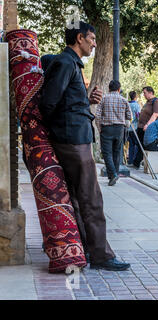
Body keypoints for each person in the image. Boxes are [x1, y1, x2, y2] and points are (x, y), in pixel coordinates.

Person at [39, 21, 130, 271]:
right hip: (73, 140)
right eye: (91, 38)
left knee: (79, 199)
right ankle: (101, 255)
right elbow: (48, 103)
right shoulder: (66, 62)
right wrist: (58, 130)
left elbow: (64, 101)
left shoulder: (70, 64)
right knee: (91, 198)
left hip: (73, 137)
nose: (94, 43)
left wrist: (86, 100)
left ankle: (86, 251)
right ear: (79, 38)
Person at [95, 80, 131, 186]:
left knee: (107, 153)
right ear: (119, 89)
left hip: (107, 128)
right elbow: (129, 116)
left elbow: (97, 116)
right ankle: (113, 175)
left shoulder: (104, 99)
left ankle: (113, 174)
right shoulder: (124, 100)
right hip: (120, 129)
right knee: (116, 152)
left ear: (109, 88)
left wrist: (99, 128)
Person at [132, 86, 158, 169]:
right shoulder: (147, 102)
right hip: (141, 127)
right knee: (140, 145)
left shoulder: (156, 101)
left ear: (150, 93)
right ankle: (136, 163)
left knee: (144, 145)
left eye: (145, 93)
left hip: (147, 128)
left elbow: (155, 114)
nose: (144, 95)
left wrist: (147, 125)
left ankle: (139, 163)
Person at [127, 91, 141, 165]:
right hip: (135, 127)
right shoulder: (136, 105)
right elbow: (138, 115)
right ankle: (135, 161)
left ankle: (130, 161)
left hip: (128, 128)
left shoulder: (127, 104)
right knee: (136, 144)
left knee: (131, 145)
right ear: (135, 97)